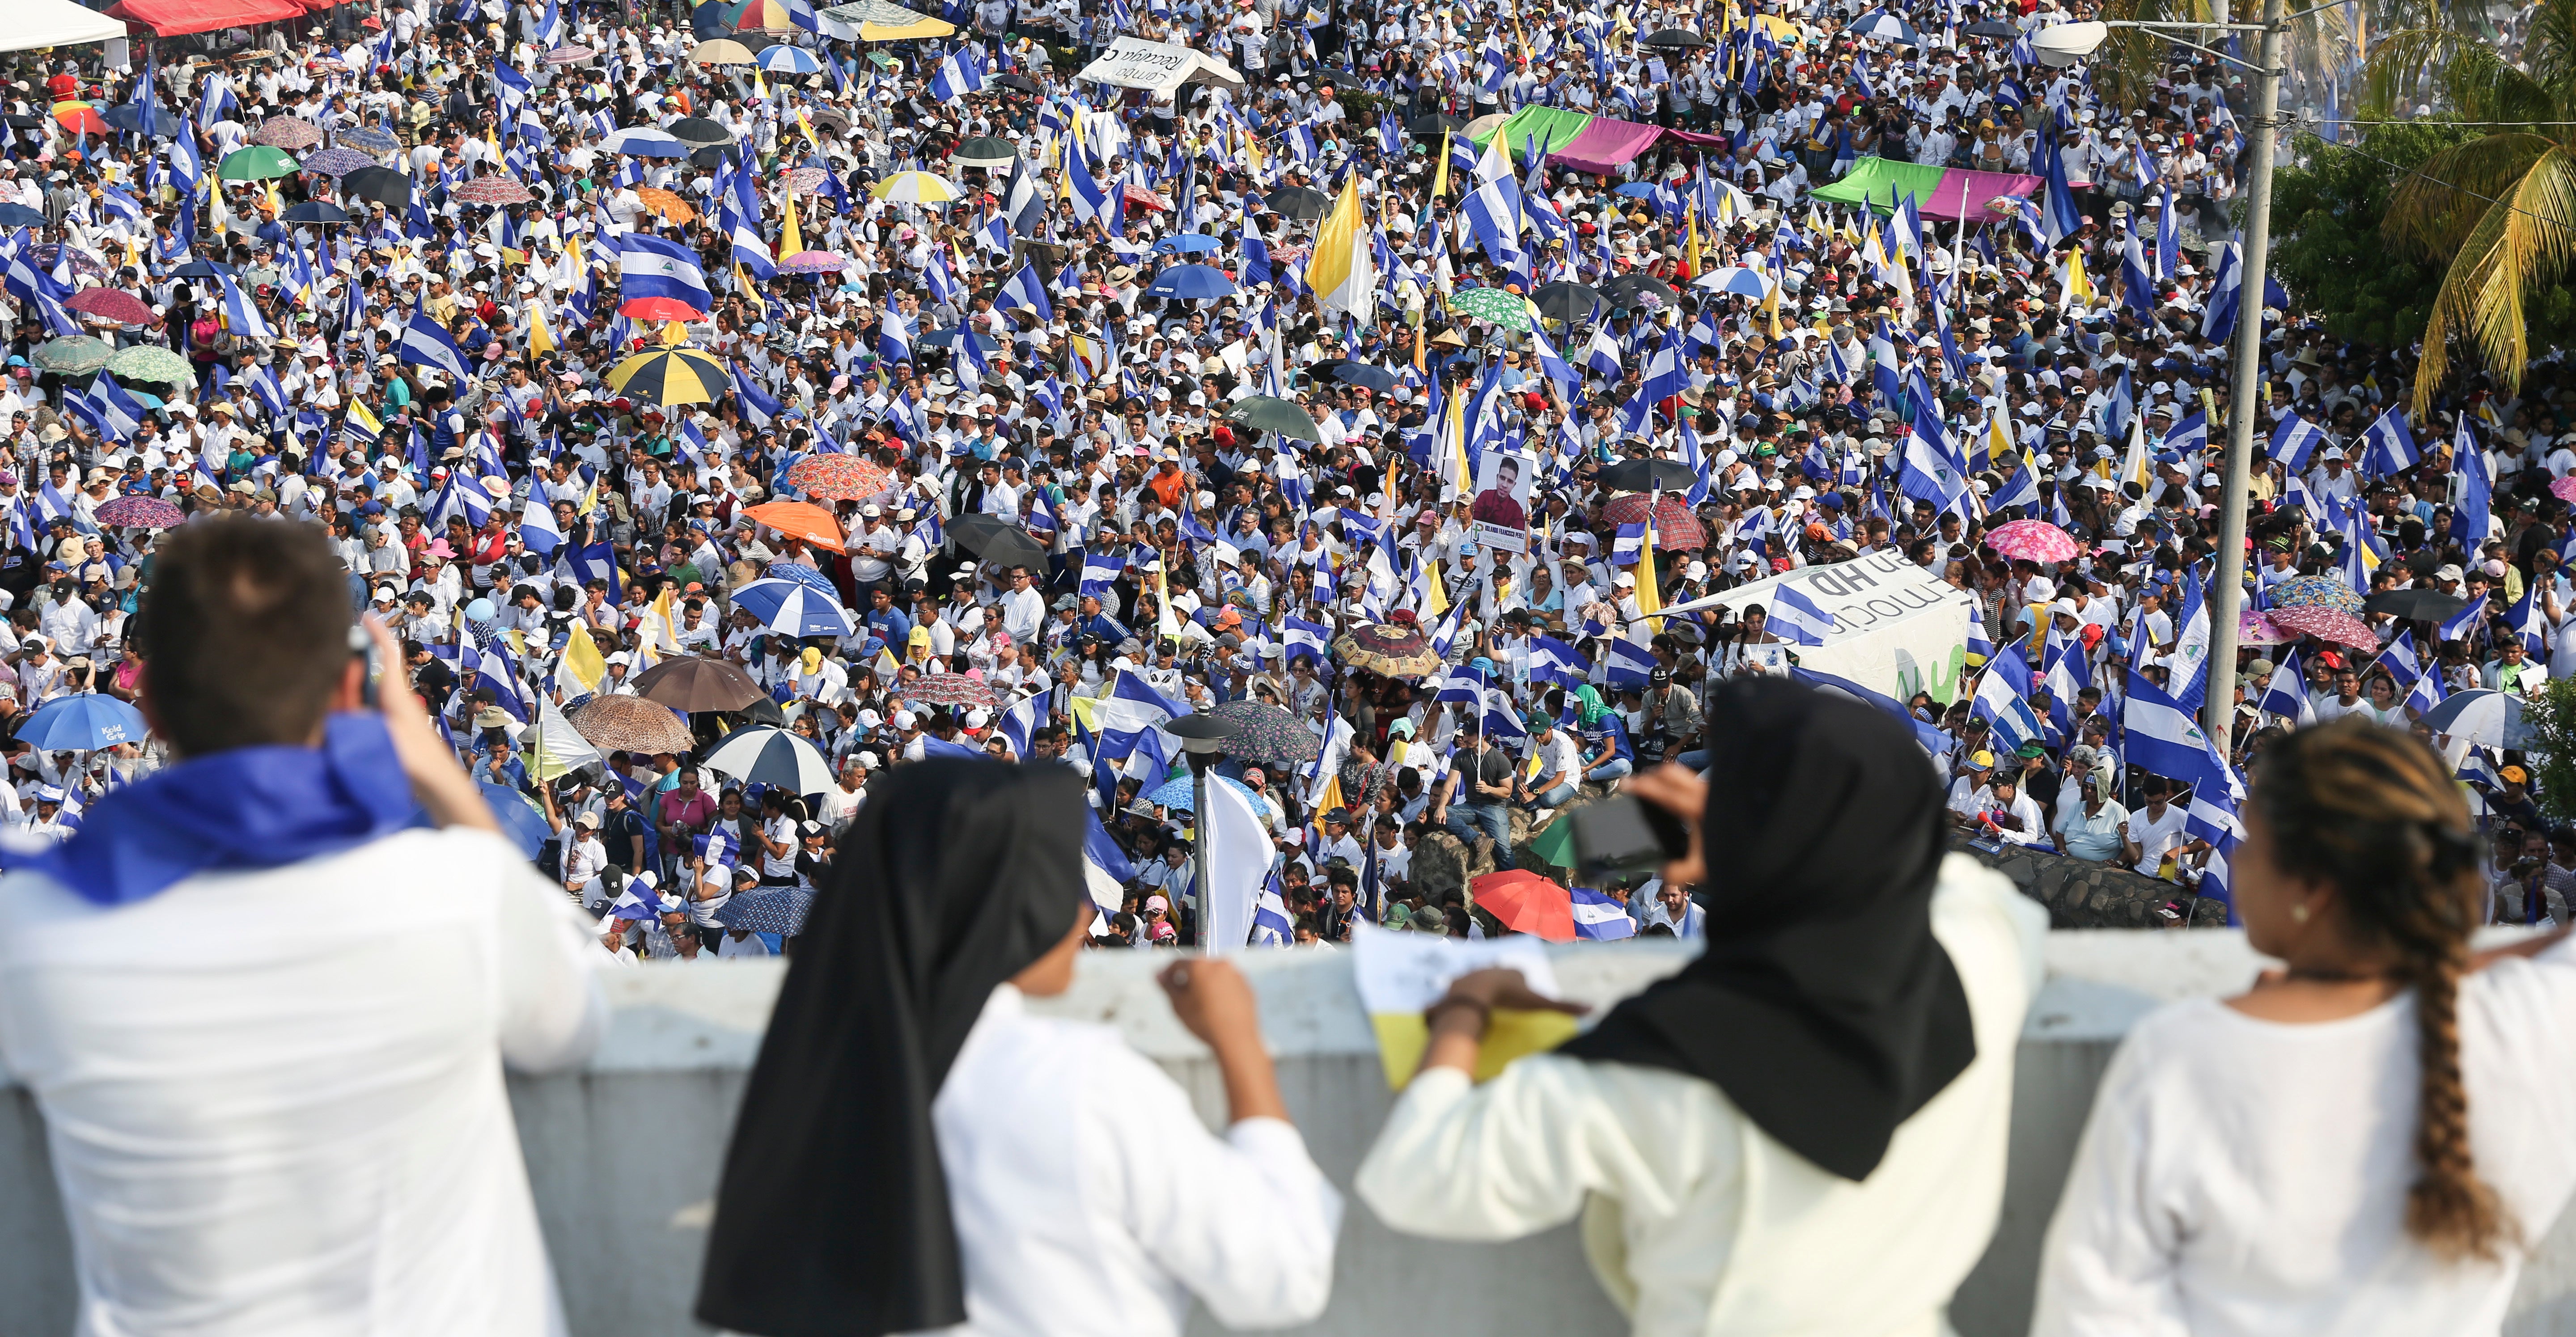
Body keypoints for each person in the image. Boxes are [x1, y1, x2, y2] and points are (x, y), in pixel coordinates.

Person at [0, 515, 606, 1335]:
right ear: (352, 692)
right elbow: (571, 1027)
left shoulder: (34, 929)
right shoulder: (459, 893)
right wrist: (433, 769)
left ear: (149, 706)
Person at [1354, 680, 2047, 1337]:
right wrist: (1749, 840)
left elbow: (1419, 1177)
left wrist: (1466, 1011)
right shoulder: (1981, 956)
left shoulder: (1659, 1068)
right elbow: (1952, 882)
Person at [695, 755, 1340, 1337]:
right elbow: (1282, 1276)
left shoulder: (804, 1089)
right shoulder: (1086, 1085)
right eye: (1062, 884)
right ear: (1008, 907)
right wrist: (1241, 1045)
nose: (1085, 913)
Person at [2035, 719, 2576, 1335]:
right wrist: (2430, 959)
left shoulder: (2183, 1056)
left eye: (2253, 840)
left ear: (2312, 887)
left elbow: (2089, 1315)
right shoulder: (2525, 1025)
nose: (2237, 855)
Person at [1469, 454, 1529, 534]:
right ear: (1497, 477)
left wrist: (1528, 524)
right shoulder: (1485, 496)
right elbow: (1472, 523)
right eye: (1502, 478)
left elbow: (1519, 536)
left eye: (1510, 481)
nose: (1504, 485)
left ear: (1514, 485)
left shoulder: (1516, 509)